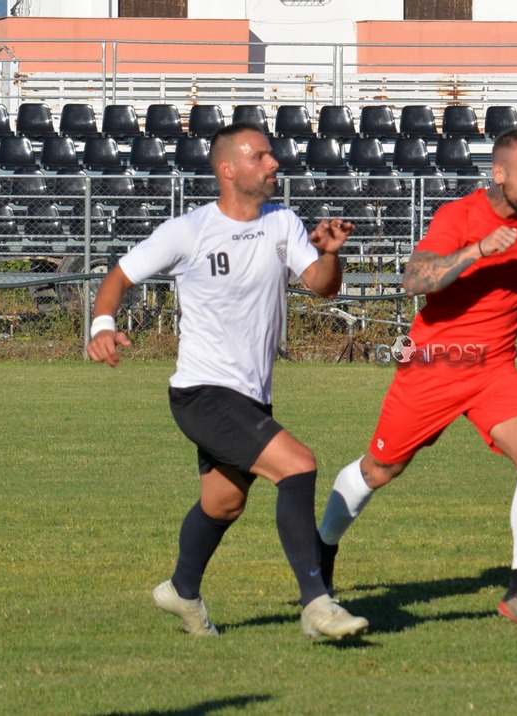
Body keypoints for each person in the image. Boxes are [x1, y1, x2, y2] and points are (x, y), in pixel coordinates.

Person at [315, 129, 517, 641]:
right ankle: (320, 555)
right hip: (434, 366)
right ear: (499, 174)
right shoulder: (459, 217)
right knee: (380, 469)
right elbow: (414, 279)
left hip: (494, 368)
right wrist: (476, 250)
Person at [86, 122, 368, 641]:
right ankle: (317, 604)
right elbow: (120, 276)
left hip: (250, 396)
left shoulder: (283, 222)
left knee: (224, 503)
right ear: (228, 170)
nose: (274, 163)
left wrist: (330, 254)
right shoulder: (189, 230)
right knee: (298, 465)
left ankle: (182, 589)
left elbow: (322, 287)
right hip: (201, 393)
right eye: (260, 156)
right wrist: (102, 326)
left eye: (271, 155)